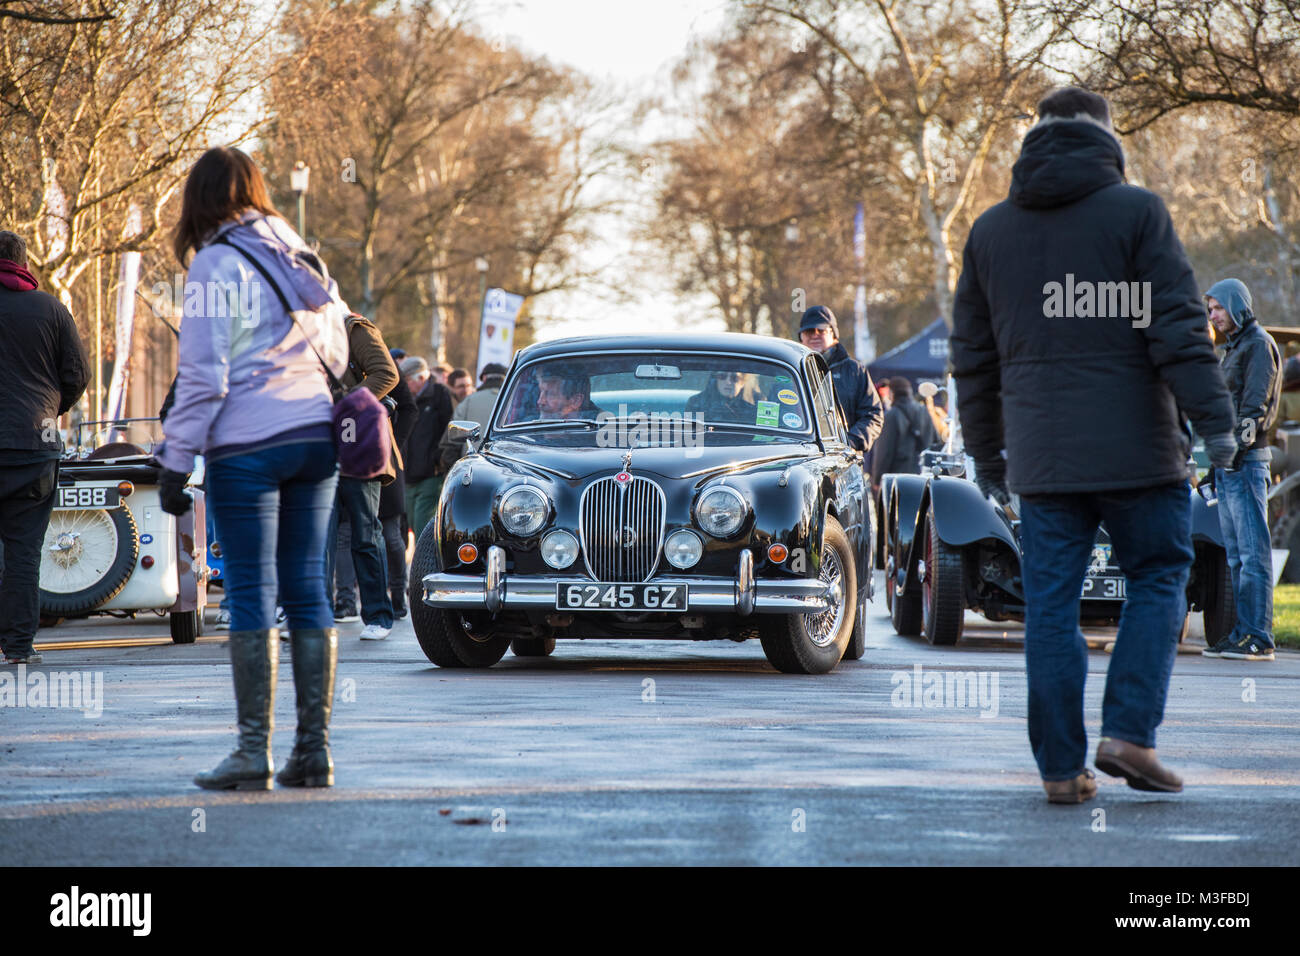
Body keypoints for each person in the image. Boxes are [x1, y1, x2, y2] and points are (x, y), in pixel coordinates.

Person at [950, 87, 1237, 803]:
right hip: (1139, 449)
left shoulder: (990, 233)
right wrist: (1218, 423)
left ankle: (1058, 768)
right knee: (1159, 574)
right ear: (1107, 138)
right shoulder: (1137, 213)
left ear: (1033, 140)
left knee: (1049, 605)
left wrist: (988, 456)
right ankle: (1130, 735)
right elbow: (1176, 330)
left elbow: (973, 362)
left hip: (1043, 461)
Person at [158, 146, 349, 790]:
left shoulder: (215, 263)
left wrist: (174, 459)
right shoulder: (297, 248)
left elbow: (204, 377)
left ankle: (251, 752)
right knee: (305, 588)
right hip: (316, 437)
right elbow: (341, 342)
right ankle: (314, 752)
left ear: (200, 199)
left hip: (248, 445)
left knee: (250, 593)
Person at [0, 230, 90, 665]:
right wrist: (52, 409)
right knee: (23, 550)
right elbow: (77, 374)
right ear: (25, 263)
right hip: (36, 446)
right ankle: (18, 647)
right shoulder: (51, 309)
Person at [1203, 278, 1282, 661]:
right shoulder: (1232, 348)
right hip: (1229, 465)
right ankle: (1240, 633)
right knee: (1235, 556)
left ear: (1236, 304)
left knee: (1254, 555)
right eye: (1210, 309)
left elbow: (1255, 408)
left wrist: (1233, 454)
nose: (1213, 316)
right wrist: (1213, 466)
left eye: (1218, 307)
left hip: (1248, 464)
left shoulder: (1258, 345)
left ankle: (1258, 636)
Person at [324, 313, 401, 640]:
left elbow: (386, 373)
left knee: (365, 531)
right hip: (318, 440)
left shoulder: (353, 328)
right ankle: (312, 613)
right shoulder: (296, 331)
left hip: (358, 441)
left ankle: (378, 615)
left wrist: (345, 403)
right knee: (315, 535)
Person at [796, 306, 884, 456]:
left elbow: (873, 416)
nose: (815, 335)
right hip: (798, 456)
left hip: (843, 461)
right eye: (809, 331)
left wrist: (848, 443)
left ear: (833, 334)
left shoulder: (854, 371)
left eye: (821, 330)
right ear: (801, 337)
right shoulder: (792, 370)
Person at [402, 355, 455, 539]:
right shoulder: (407, 397)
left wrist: (438, 459)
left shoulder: (440, 394)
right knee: (412, 526)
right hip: (408, 475)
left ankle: (424, 568)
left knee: (422, 528)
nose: (405, 385)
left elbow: (448, 429)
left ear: (420, 378)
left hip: (430, 476)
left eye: (407, 380)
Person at [439, 362, 506, 470]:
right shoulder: (516, 402)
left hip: (472, 470)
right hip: (506, 470)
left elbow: (451, 444)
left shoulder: (467, 402)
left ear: (484, 378)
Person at [871, 377, 938, 484]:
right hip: (923, 477)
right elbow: (936, 441)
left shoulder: (891, 415)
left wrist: (877, 478)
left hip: (897, 480)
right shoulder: (923, 411)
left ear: (892, 393)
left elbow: (884, 451)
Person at [685, 370, 758, 422]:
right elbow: (690, 435)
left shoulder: (756, 405)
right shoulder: (696, 402)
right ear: (716, 379)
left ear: (743, 382)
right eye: (722, 376)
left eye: (734, 378)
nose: (728, 382)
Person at [536, 371, 602, 420]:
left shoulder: (602, 431)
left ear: (576, 401)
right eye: (540, 392)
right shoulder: (528, 425)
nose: (540, 401)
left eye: (550, 394)